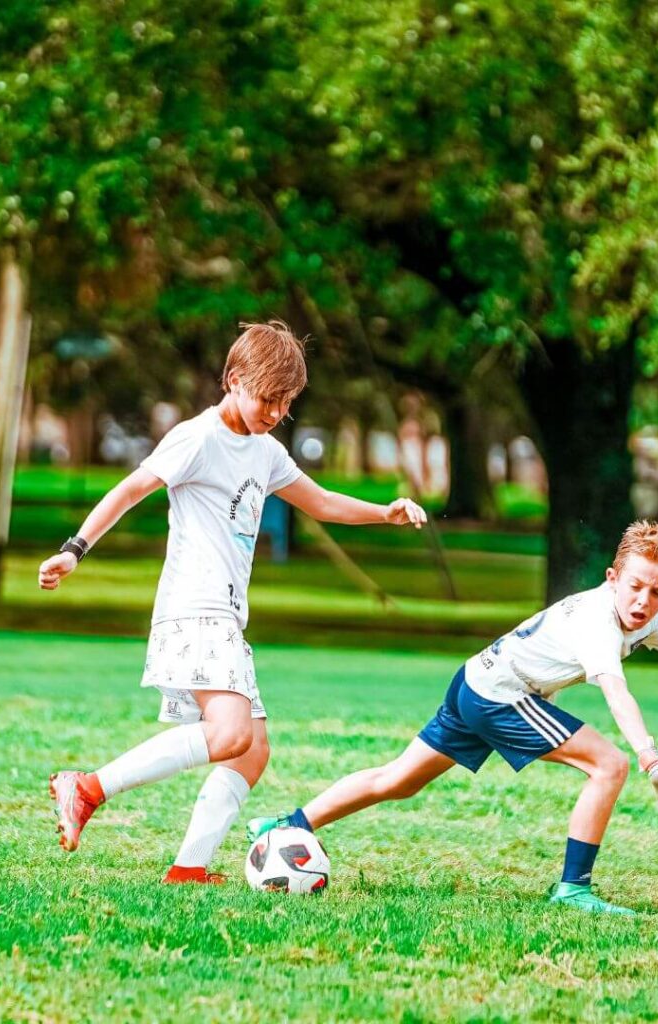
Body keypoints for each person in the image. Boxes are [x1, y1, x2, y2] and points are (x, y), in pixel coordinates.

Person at [39, 321, 426, 883]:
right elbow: (129, 491)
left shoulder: (265, 451)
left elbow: (318, 502)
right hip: (195, 608)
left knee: (252, 750)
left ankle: (189, 868)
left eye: (285, 404)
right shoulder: (196, 438)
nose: (274, 412)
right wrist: (74, 551)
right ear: (234, 379)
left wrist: (383, 512)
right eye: (267, 398)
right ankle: (88, 787)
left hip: (224, 617)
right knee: (230, 735)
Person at [248, 521, 658, 914]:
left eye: (657, 592)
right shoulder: (597, 622)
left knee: (398, 780)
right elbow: (616, 692)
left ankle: (284, 825)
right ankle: (573, 890)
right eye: (635, 587)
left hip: (474, 681)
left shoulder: (647, 616)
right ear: (612, 578)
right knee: (609, 764)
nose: (643, 601)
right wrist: (652, 762)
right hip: (500, 696)